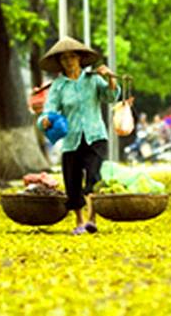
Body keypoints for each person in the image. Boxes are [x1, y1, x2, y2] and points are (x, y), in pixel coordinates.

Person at [36, 36, 120, 235]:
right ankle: (79, 221)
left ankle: (92, 219)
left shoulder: (92, 79)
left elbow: (110, 97)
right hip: (72, 139)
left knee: (94, 177)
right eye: (64, 58)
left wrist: (111, 79)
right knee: (72, 181)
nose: (69, 61)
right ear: (60, 63)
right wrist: (46, 120)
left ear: (80, 58)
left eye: (72, 56)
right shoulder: (58, 86)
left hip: (95, 135)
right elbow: (49, 110)